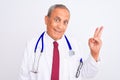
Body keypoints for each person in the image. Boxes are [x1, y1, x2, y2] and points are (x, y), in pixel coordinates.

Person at [18, 4, 103, 80]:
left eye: (65, 22)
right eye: (57, 20)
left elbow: (86, 74)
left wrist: (94, 53)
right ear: (46, 20)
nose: (60, 26)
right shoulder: (31, 45)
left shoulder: (75, 45)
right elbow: (23, 77)